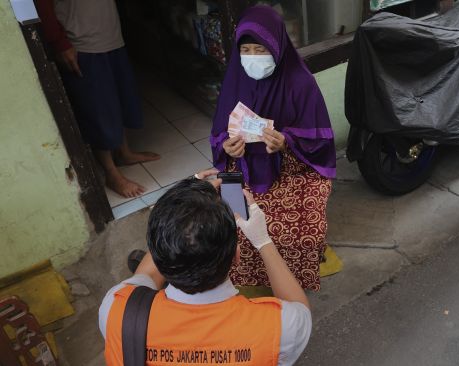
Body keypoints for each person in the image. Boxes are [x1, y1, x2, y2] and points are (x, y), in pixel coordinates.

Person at [100, 169, 312, 365]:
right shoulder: (282, 327)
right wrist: (263, 241)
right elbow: (300, 308)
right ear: (236, 257)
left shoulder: (115, 310)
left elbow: (147, 272)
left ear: (158, 253)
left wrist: (177, 211)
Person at [210, 6, 336, 291]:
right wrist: (227, 148)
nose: (253, 58)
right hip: (241, 170)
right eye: (247, 49)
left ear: (277, 46)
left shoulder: (301, 83)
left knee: (303, 230)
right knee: (230, 225)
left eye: (261, 49)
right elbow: (218, 135)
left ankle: (290, 282)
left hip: (293, 169)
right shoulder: (233, 81)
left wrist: (287, 141)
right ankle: (253, 279)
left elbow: (321, 137)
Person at [35, 0, 159, 198]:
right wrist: (59, 43)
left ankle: (124, 153)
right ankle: (111, 173)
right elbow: (42, 5)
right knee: (97, 108)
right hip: (81, 43)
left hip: (110, 34)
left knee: (118, 98)